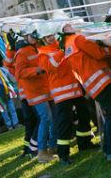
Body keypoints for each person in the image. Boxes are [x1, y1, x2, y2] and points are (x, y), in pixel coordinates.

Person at [64, 23, 111, 161]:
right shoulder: (78, 39)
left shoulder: (68, 44)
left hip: (92, 84)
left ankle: (110, 147)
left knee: (110, 115)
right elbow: (98, 53)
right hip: (101, 81)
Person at [36, 19, 95, 165]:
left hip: (75, 88)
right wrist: (61, 51)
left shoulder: (59, 45)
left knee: (84, 115)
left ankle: (84, 143)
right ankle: (63, 154)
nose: (50, 38)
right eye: (47, 37)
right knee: (65, 123)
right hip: (62, 94)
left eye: (51, 35)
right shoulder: (42, 54)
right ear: (42, 39)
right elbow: (51, 66)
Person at [15, 29, 56, 163]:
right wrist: (36, 70)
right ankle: (42, 152)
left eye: (35, 35)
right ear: (26, 36)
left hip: (46, 89)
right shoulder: (22, 53)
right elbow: (20, 73)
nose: (34, 38)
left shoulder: (38, 48)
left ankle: (53, 148)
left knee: (52, 118)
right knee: (46, 118)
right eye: (31, 36)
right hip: (35, 92)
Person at [4, 39, 38, 158]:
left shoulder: (29, 51)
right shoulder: (18, 56)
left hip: (33, 93)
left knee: (36, 121)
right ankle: (28, 148)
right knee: (31, 122)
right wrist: (11, 47)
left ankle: (30, 148)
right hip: (27, 95)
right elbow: (7, 63)